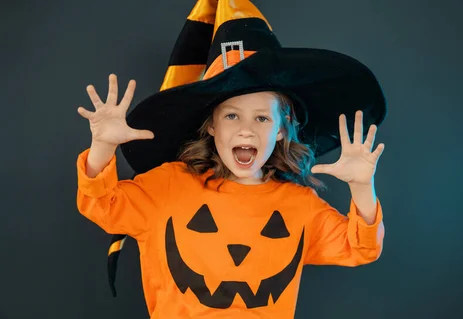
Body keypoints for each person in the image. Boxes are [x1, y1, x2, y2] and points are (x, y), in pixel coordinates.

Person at [75, 0, 387, 317]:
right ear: (211, 125)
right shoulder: (168, 185)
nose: (246, 130)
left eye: (262, 118)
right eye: (232, 116)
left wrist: (363, 187)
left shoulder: (300, 205)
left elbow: (359, 248)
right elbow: (104, 206)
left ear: (282, 130)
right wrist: (102, 146)